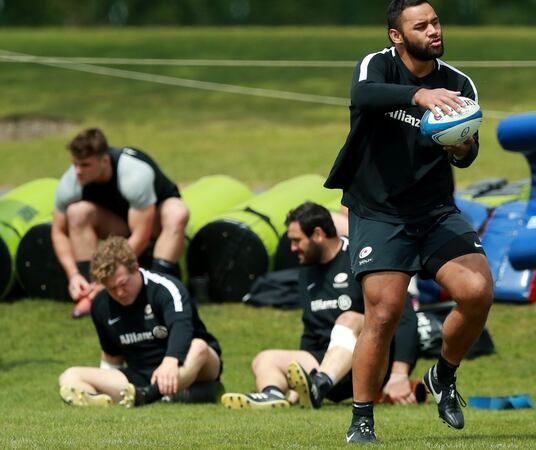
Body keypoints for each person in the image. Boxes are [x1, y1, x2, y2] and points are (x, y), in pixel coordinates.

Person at [324, 0, 494, 443]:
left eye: (436, 22)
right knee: (384, 312)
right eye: (421, 26)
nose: (434, 31)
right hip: (379, 211)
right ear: (397, 36)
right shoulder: (376, 66)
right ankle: (362, 419)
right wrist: (419, 96)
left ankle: (442, 375)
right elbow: (364, 96)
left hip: (435, 211)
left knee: (477, 293)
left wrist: (460, 147)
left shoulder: (458, 82)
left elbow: (470, 150)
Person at [221, 202, 420, 410]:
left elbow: (405, 316)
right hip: (327, 364)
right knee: (264, 359)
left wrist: (399, 375)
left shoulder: (363, 258)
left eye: (297, 241)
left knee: (349, 318)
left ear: (317, 234)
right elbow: (311, 330)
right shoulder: (307, 271)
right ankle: (273, 395)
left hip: (371, 364)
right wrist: (298, 382)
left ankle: (320, 383)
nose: (292, 248)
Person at [58, 236, 222, 407]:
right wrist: (104, 383)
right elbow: (112, 356)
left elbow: (182, 327)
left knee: (199, 346)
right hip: (140, 376)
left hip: (188, 365)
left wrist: (171, 361)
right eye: (112, 289)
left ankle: (150, 395)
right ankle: (106, 401)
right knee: (69, 377)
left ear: (135, 268)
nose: (120, 293)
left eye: (123, 284)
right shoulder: (101, 305)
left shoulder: (166, 288)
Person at [52, 127, 189, 317]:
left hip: (154, 222)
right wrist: (73, 274)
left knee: (177, 212)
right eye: (75, 164)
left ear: (105, 161)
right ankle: (89, 292)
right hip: (119, 223)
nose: (78, 171)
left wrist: (107, 275)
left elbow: (142, 236)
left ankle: (159, 290)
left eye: (85, 165)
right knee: (77, 213)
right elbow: (58, 231)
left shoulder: (134, 175)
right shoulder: (71, 183)